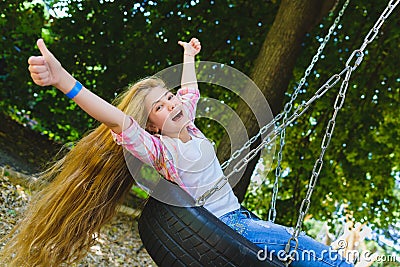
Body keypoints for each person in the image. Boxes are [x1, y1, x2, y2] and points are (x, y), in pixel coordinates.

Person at [0, 37, 355, 267]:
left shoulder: (191, 128)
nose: (170, 104)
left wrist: (188, 56)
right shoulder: (161, 151)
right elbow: (118, 121)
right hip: (232, 228)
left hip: (242, 220)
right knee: (319, 255)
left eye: (168, 97)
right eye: (158, 107)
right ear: (152, 125)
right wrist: (65, 82)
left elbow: (190, 92)